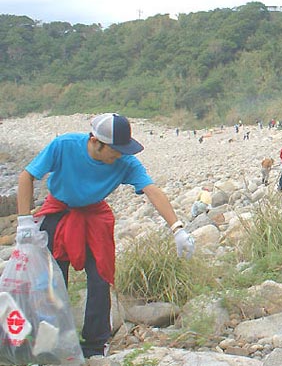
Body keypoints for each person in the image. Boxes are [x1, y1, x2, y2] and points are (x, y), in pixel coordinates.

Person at [15, 113, 195, 358]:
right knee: (52, 278)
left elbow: (152, 190)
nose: (119, 155)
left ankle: (95, 343)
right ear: (95, 141)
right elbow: (27, 175)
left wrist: (178, 228)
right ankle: (50, 339)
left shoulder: (125, 162)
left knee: (100, 277)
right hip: (58, 213)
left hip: (94, 216)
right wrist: (24, 222)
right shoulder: (64, 145)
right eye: (115, 149)